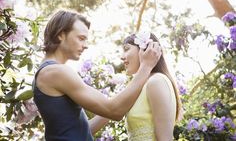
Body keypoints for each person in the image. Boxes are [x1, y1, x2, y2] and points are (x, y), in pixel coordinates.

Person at [32, 9, 161, 141]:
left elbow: (81, 130)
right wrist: (146, 66)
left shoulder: (49, 71)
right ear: (61, 34)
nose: (86, 45)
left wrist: (123, 97)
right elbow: (114, 111)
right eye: (81, 38)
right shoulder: (55, 72)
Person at [121, 32, 182, 141]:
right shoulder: (139, 87)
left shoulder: (156, 81)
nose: (122, 57)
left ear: (144, 49)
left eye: (126, 49)